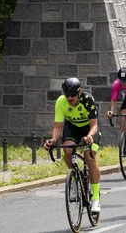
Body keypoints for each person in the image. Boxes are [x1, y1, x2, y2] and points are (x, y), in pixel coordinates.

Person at [44, 78, 103, 213]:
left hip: (89, 128)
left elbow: (94, 125)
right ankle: (75, 180)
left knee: (90, 157)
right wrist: (53, 140)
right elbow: (58, 126)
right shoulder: (60, 102)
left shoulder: (87, 99)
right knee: (68, 151)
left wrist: (89, 136)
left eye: (72, 95)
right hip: (73, 127)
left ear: (79, 92)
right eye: (67, 95)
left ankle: (95, 198)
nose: (69, 98)